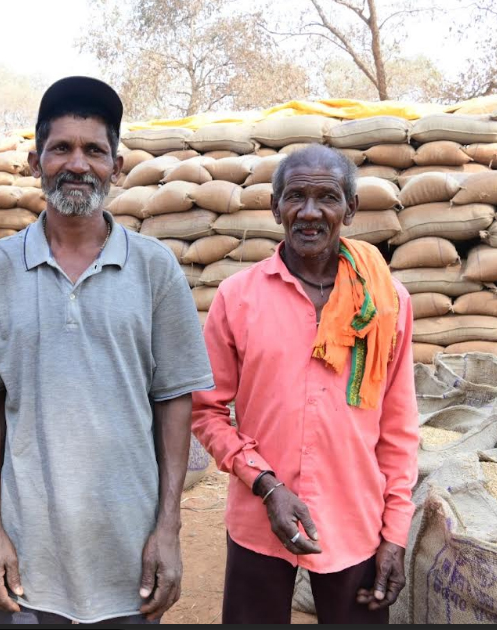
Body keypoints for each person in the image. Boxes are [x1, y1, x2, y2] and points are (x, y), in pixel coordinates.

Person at [0, 76, 215, 625]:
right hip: (27, 560)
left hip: (128, 556)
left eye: (94, 151)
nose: (77, 164)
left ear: (117, 166)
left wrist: (168, 529)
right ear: (36, 161)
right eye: (61, 148)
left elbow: (175, 402)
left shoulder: (155, 270)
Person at [191, 144, 419, 624]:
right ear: (275, 207)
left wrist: (395, 532)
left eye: (327, 198)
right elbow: (207, 411)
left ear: (351, 209)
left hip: (355, 522)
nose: (310, 212)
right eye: (296, 197)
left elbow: (398, 428)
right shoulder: (238, 297)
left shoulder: (386, 303)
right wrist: (267, 485)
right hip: (257, 520)